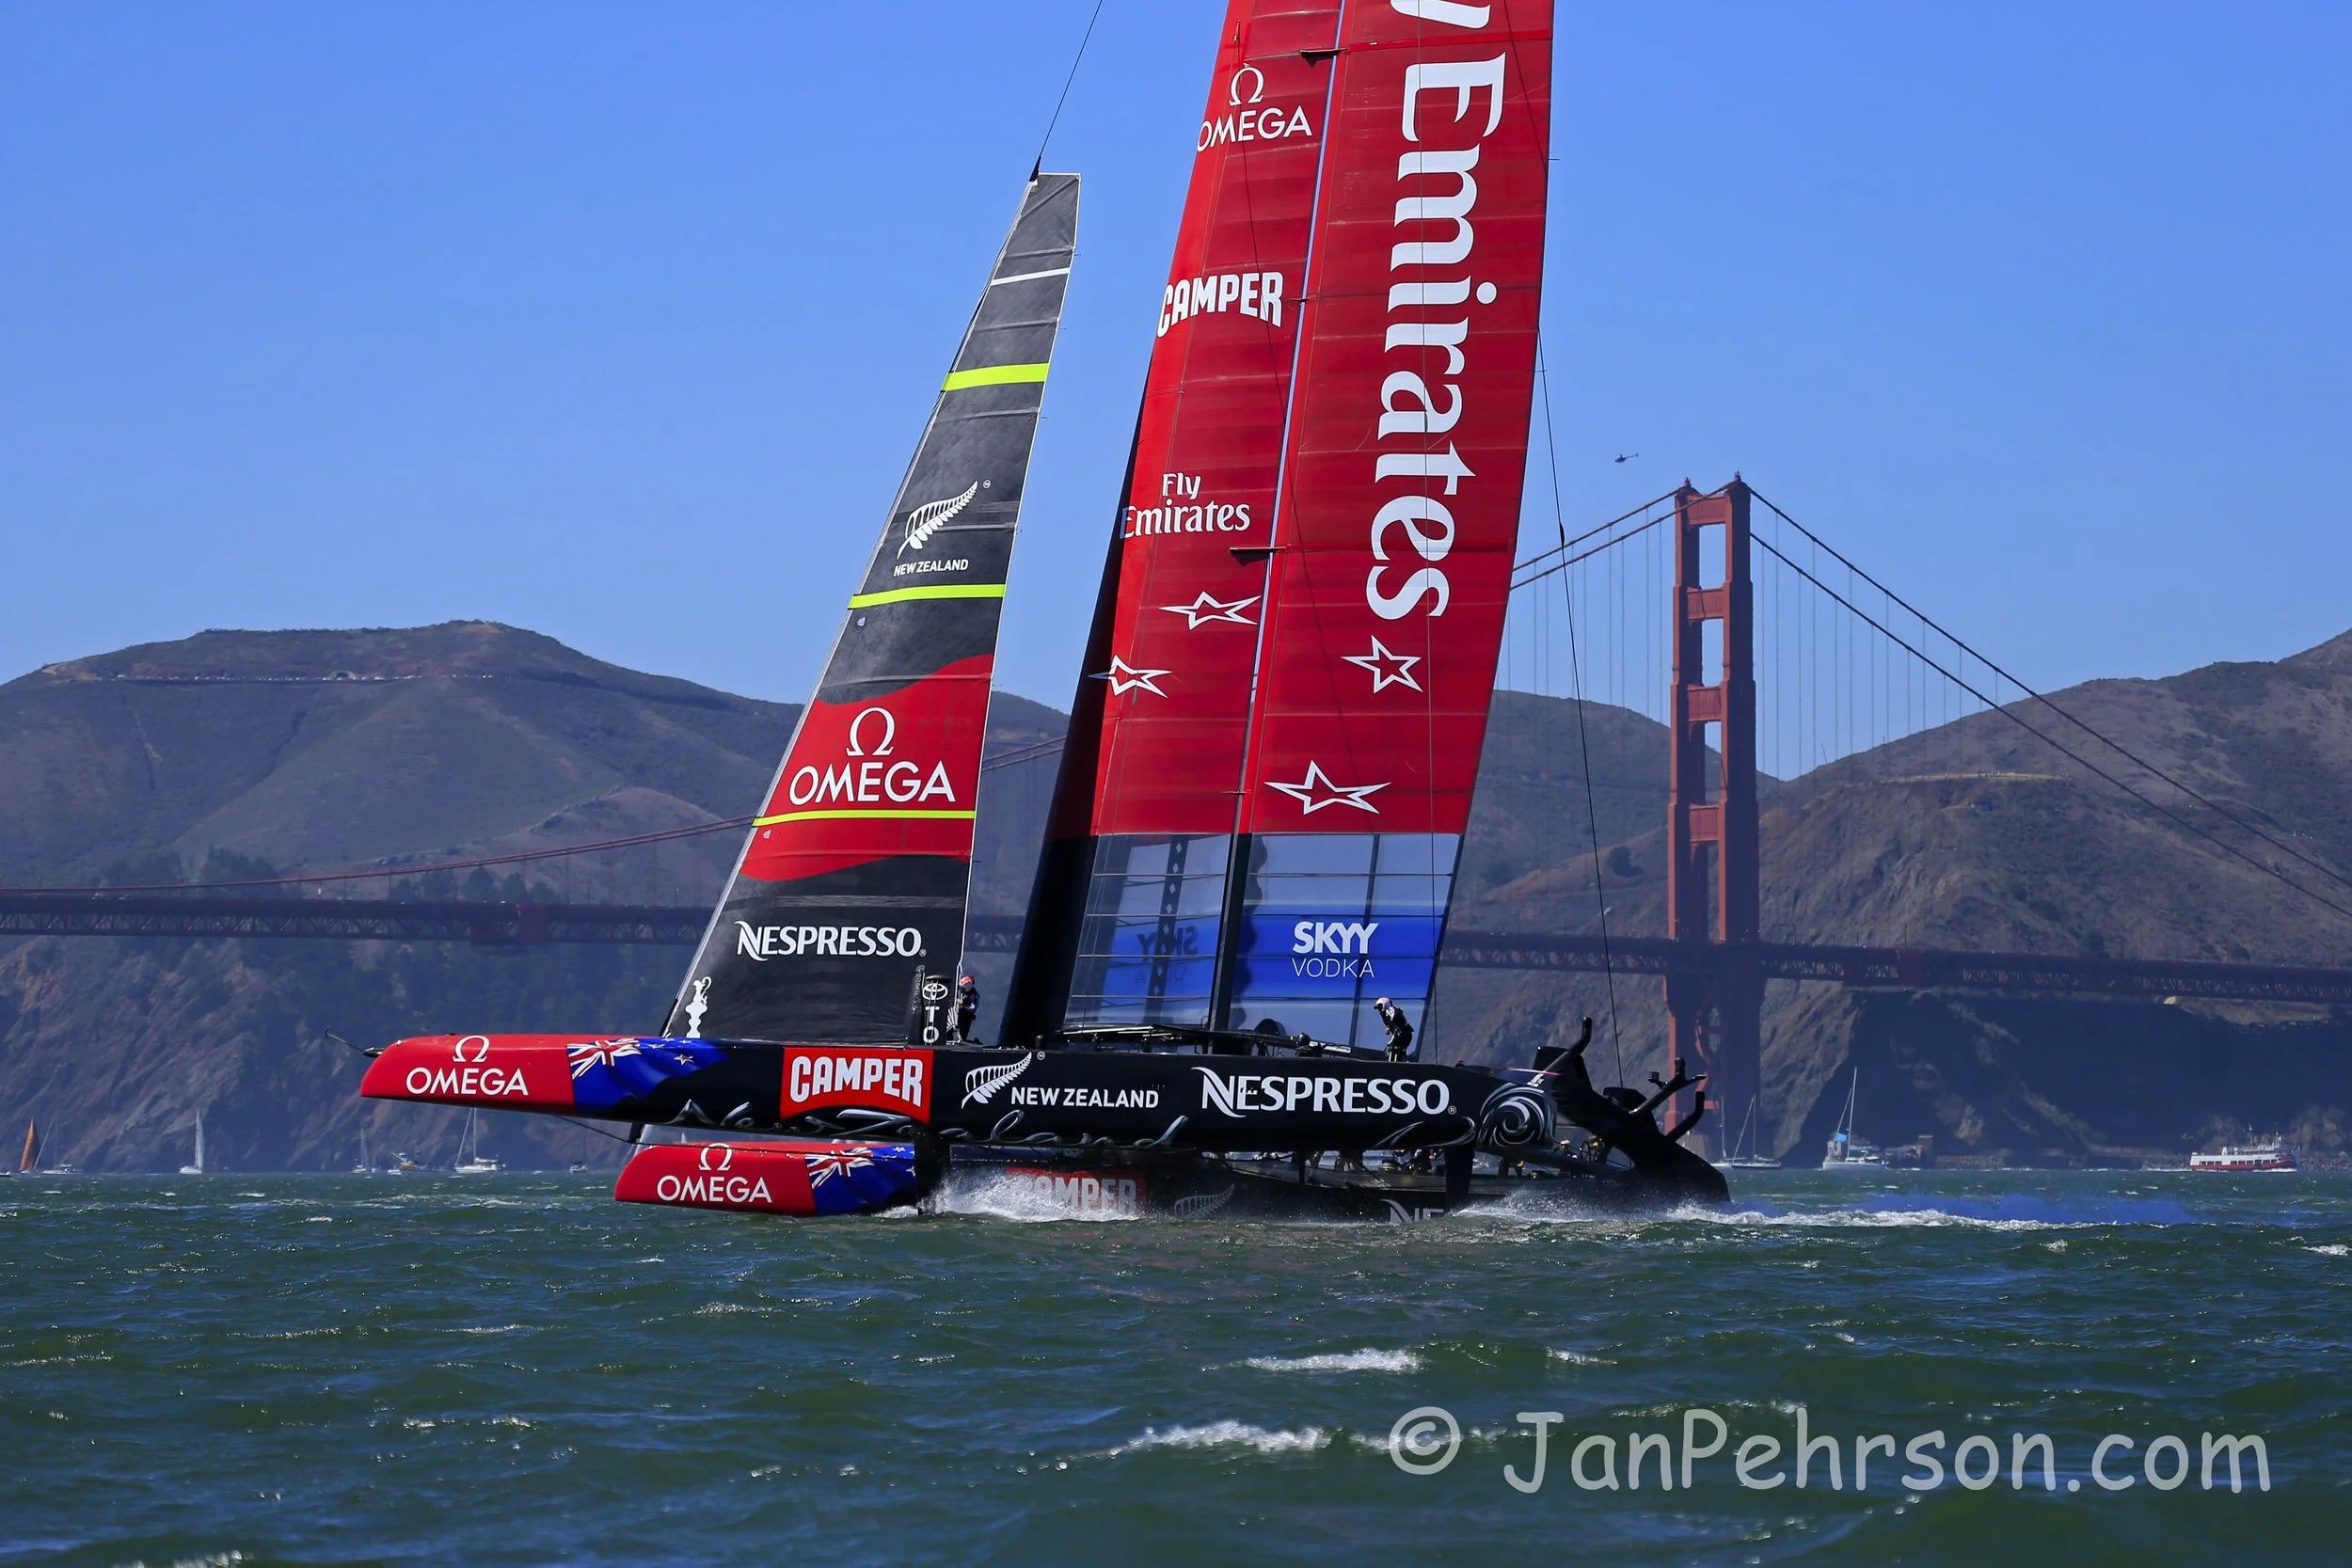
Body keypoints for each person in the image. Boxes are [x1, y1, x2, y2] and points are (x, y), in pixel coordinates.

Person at [1373, 996, 1414, 1062]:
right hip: (1405, 1034)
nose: (1379, 1010)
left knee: (1390, 1048)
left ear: (1385, 1004)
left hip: (1401, 1033)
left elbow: (1393, 1015)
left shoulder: (1390, 1009)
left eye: (1380, 1007)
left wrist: (1389, 1027)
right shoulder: (1386, 1015)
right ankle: (1403, 1062)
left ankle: (1392, 1065)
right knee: (1400, 1050)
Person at [952, 974, 979, 1044]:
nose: (961, 990)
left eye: (963, 988)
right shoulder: (965, 994)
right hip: (961, 1016)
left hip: (968, 1018)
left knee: (964, 1033)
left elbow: (973, 1008)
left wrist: (962, 1003)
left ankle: (963, 1040)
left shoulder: (974, 995)